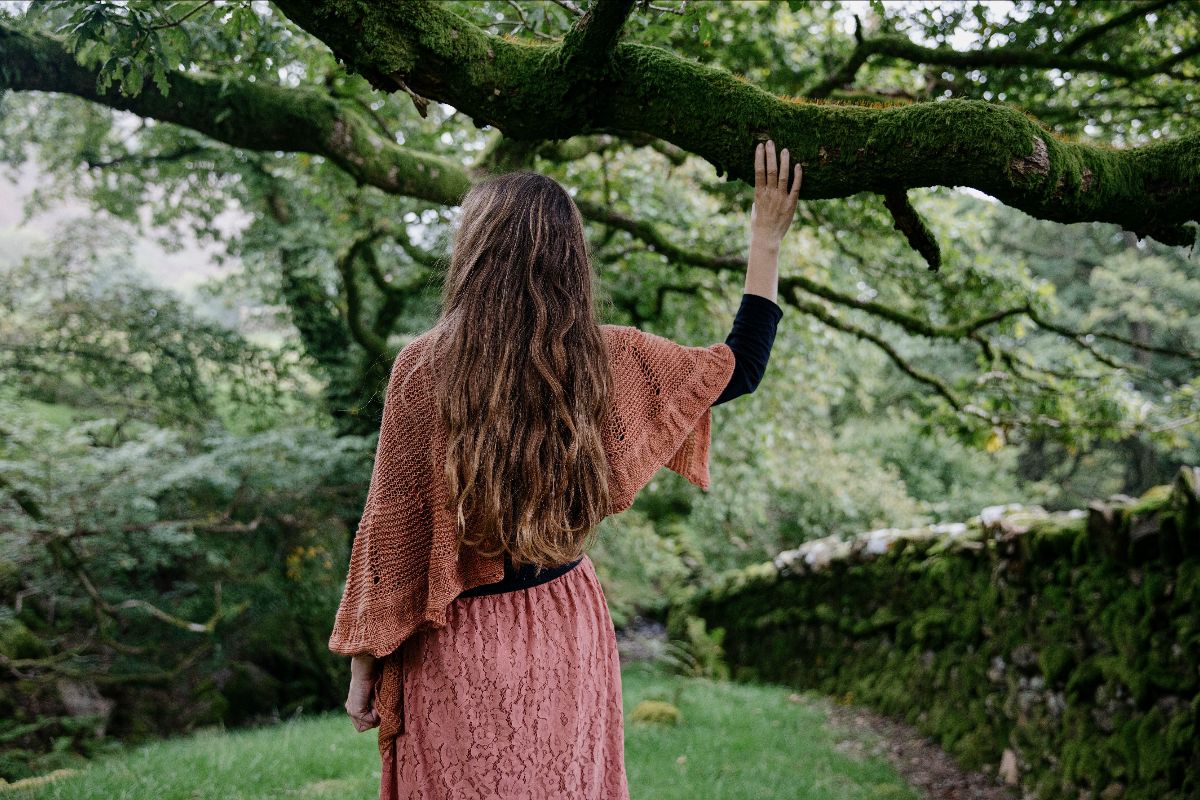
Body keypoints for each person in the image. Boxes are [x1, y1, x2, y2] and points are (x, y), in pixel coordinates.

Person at [338, 139, 801, 800]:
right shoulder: (603, 361)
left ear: (476, 252)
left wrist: (363, 667)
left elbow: (393, 533)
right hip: (568, 625)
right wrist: (766, 238)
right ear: (568, 260)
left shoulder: (423, 368)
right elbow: (740, 364)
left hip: (461, 644)